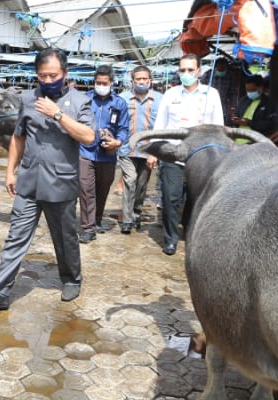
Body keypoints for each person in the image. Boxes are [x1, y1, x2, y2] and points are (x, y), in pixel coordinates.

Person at [0, 48, 96, 314]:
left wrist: (58, 115)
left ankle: (71, 279)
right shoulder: (27, 99)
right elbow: (19, 137)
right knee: (16, 238)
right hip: (29, 182)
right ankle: (1, 292)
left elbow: (88, 137)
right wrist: (10, 171)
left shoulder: (80, 101)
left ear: (65, 73)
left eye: (53, 75)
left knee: (65, 239)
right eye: (43, 76)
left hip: (61, 184)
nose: (48, 80)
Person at [153, 53, 223, 255]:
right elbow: (160, 126)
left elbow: (218, 127)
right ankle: (170, 239)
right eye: (182, 70)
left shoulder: (211, 94)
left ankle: (192, 235)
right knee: (170, 198)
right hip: (173, 154)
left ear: (199, 71)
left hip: (201, 157)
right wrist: (155, 152)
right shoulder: (170, 94)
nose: (186, 73)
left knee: (196, 199)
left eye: (190, 70)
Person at [77, 65, 130, 242]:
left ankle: (97, 220)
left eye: (104, 83)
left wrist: (117, 142)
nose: (101, 85)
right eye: (98, 82)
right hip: (85, 151)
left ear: (111, 83)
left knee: (103, 188)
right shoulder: (85, 99)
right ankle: (87, 228)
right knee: (86, 190)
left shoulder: (119, 103)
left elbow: (123, 128)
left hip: (108, 153)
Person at [117, 64, 160, 235]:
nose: (141, 82)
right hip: (127, 149)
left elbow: (161, 127)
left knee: (142, 185)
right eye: (138, 79)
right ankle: (127, 220)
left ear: (150, 81)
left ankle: (136, 213)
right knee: (130, 181)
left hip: (148, 150)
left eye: (144, 79)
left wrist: (155, 152)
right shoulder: (122, 98)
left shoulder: (160, 100)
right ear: (132, 81)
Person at [231, 73, 278, 138]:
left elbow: (272, 124)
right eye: (247, 90)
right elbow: (236, 115)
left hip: (256, 140)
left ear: (261, 88)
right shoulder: (243, 100)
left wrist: (250, 123)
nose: (250, 92)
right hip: (239, 138)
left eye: (253, 90)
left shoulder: (269, 103)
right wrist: (235, 120)